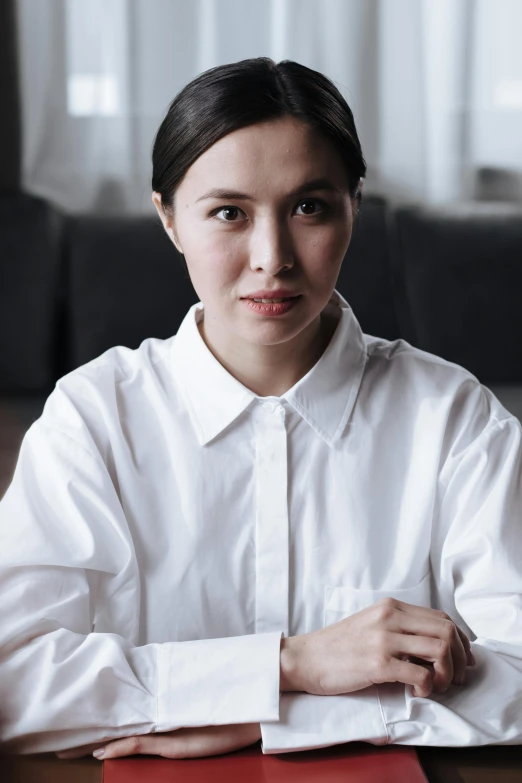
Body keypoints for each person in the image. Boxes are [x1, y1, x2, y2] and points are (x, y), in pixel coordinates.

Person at [0, 56, 521, 762]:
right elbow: (13, 681)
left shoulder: (454, 418)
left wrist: (263, 717)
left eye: (309, 206)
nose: (272, 257)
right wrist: (287, 667)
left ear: (353, 208)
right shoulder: (93, 420)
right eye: (228, 212)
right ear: (169, 219)